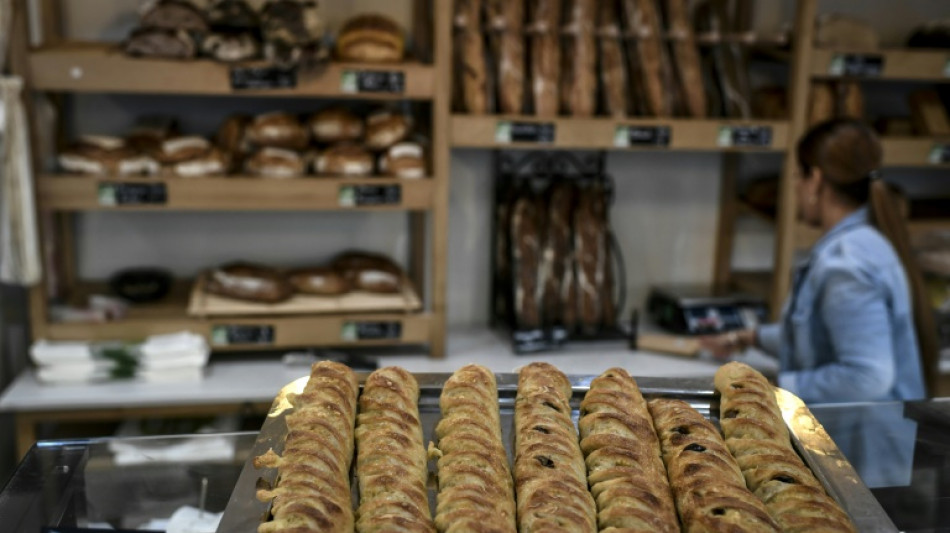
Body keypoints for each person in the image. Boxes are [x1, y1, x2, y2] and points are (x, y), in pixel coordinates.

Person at [702, 118, 937, 403]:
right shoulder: (862, 242)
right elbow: (816, 336)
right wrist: (749, 337)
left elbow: (867, 377)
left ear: (814, 180)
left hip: (860, 442)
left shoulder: (847, 263)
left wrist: (772, 388)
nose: (796, 188)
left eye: (797, 177)